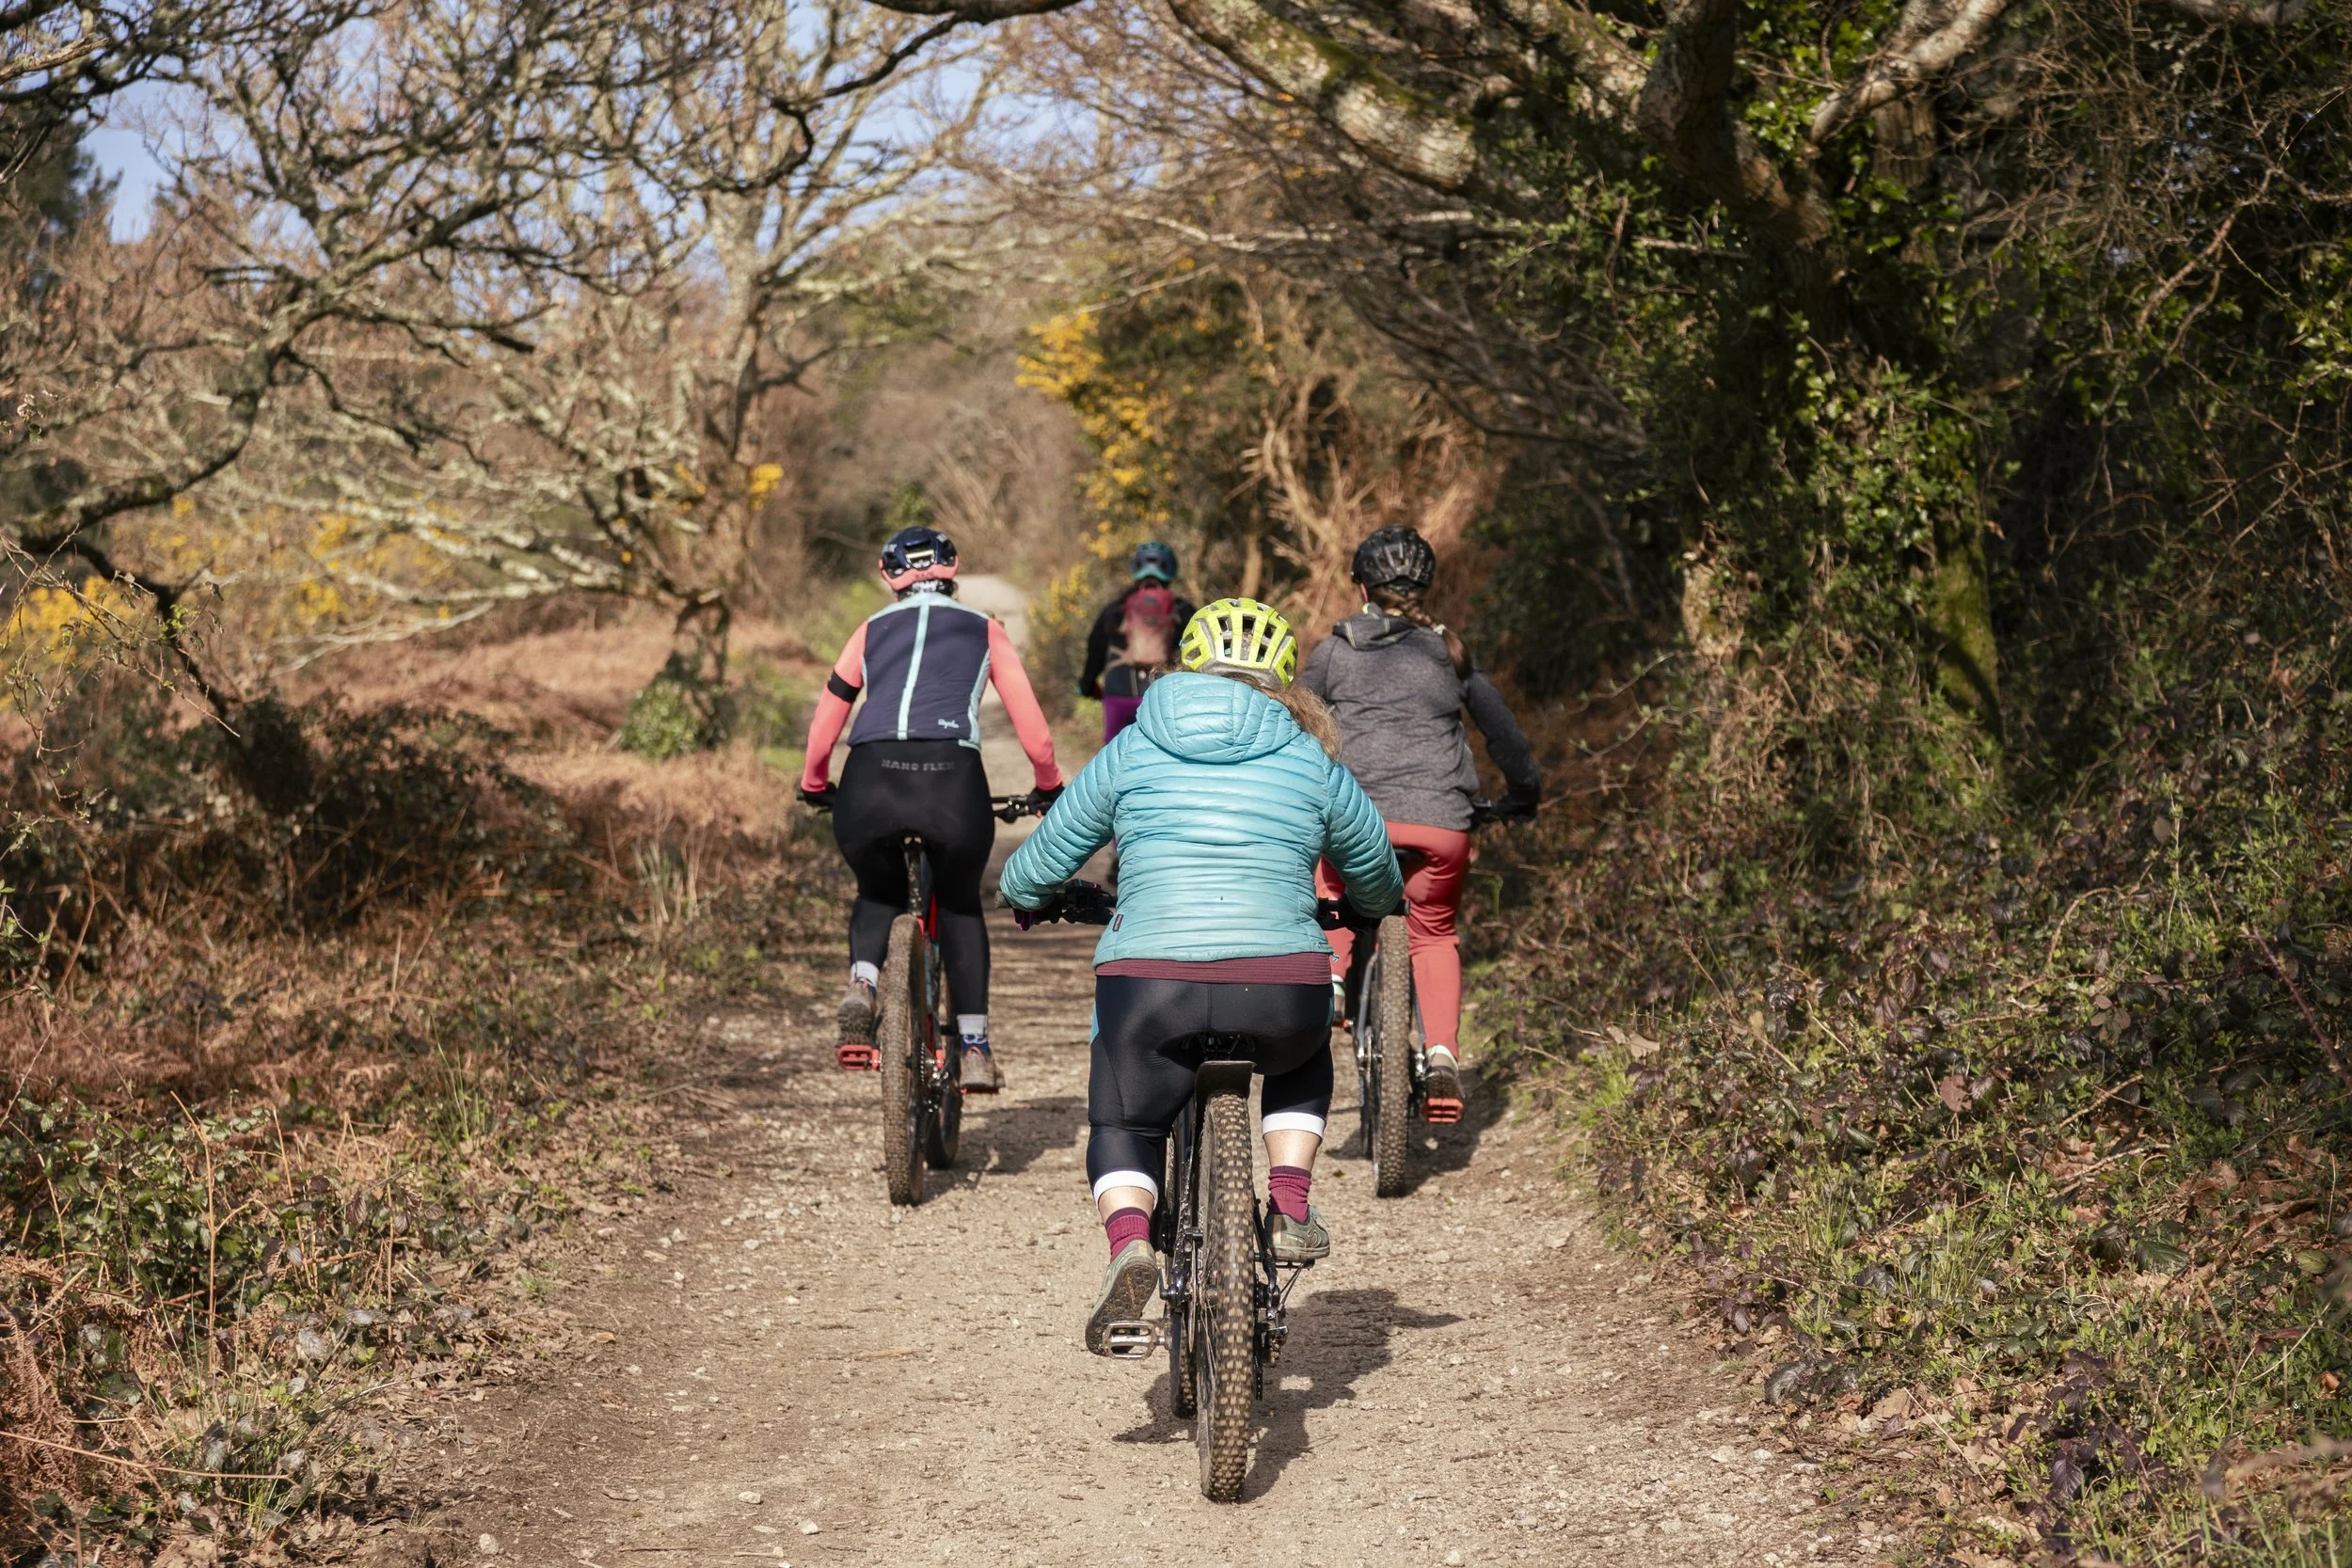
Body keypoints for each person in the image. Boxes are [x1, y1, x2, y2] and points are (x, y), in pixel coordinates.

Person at [1000, 598, 1403, 1354]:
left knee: (1125, 1119)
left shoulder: (1134, 746)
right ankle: (1288, 1199)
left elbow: (1038, 865)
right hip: (1280, 984)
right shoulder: (1311, 757)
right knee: (1303, 1055)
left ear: (1187, 665)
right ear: (1285, 678)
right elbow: (1378, 871)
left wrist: (1035, 897)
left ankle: (1128, 1243)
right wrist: (1360, 907)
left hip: (1149, 984)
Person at [795, 525, 1063, 1093]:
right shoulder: (985, 629)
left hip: (869, 777)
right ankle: (973, 1046)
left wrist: (816, 783)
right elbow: (1034, 734)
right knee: (961, 903)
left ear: (888, 575)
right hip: (951, 781)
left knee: (877, 891)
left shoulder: (866, 631)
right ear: (953, 568)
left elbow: (828, 720)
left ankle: (864, 982)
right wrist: (1047, 786)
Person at [1296, 525, 1541, 1121]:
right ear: (1427, 586)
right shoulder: (1448, 653)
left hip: (1355, 819)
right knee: (1433, 933)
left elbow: (1293, 725)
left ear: (1361, 587)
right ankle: (1441, 1056)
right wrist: (1523, 796)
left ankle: (1329, 978)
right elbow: (1503, 735)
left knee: (1331, 886)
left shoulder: (1333, 654)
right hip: (1441, 825)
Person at [1078, 542, 1197, 743]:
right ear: (1171, 569)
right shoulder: (1184, 610)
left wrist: (1087, 685)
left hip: (1119, 694)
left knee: (1114, 760)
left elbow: (1095, 649)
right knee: (1162, 758)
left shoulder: (1115, 609)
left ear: (1135, 568)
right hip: (1162, 696)